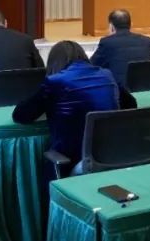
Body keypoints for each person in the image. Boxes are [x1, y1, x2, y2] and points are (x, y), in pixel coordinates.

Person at [12, 40, 120, 173]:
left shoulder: (55, 82)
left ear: (54, 62)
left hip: (70, 162)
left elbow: (21, 115)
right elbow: (130, 104)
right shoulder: (107, 75)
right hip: (110, 158)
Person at [89, 9, 150, 90]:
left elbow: (91, 66)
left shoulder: (107, 42)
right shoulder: (146, 41)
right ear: (131, 24)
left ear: (111, 26)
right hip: (146, 90)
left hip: (121, 92)